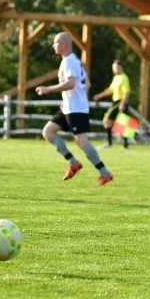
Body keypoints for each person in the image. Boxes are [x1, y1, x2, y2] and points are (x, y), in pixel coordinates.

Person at [36, 32, 113, 186]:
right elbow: (87, 84)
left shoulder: (69, 61)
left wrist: (48, 89)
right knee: (48, 132)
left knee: (82, 142)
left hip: (76, 109)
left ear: (64, 45)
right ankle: (73, 162)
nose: (53, 46)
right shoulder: (74, 60)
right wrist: (70, 99)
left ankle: (104, 173)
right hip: (70, 107)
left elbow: (71, 83)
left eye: (56, 43)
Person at [92, 59, 132, 149]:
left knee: (109, 121)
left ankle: (111, 143)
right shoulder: (116, 78)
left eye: (118, 67)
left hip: (120, 101)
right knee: (120, 122)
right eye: (114, 68)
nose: (116, 69)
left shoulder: (124, 78)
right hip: (116, 101)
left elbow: (127, 92)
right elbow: (110, 90)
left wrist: (122, 103)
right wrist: (99, 96)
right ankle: (122, 144)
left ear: (122, 68)